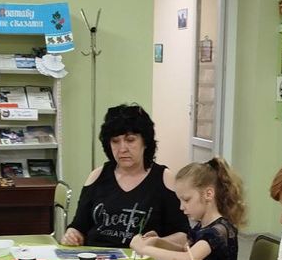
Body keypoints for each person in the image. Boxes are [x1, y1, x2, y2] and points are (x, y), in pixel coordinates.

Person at [62, 103, 190, 248]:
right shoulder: (97, 176)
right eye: (115, 141)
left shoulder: (165, 179)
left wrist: (156, 243)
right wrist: (72, 235)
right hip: (97, 257)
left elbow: (184, 236)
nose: (122, 149)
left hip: (142, 258)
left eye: (130, 140)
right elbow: (78, 226)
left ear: (145, 142)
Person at [129, 157, 246, 260]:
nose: (181, 207)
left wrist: (145, 249)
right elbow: (186, 251)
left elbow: (187, 259)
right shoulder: (201, 226)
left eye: (186, 200)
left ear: (208, 194)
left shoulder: (219, 231)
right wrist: (159, 242)